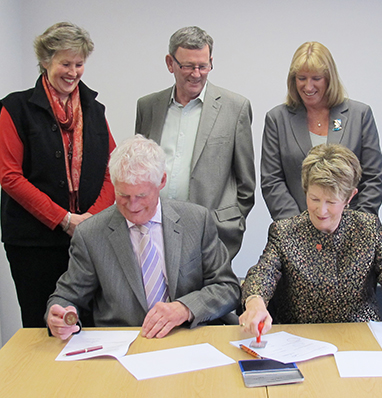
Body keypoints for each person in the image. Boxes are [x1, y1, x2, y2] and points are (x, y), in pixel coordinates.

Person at [240, 144, 382, 349]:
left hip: (359, 336)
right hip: (301, 339)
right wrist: (255, 301)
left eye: (331, 201)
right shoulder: (285, 231)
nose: (321, 210)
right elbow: (263, 272)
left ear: (349, 197)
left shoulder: (366, 227)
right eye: (314, 198)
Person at [46, 135, 240, 340]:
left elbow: (227, 288)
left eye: (141, 195)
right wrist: (60, 315)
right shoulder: (90, 234)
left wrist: (184, 308)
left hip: (187, 338)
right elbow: (66, 297)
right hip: (123, 344)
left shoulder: (196, 221)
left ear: (162, 181)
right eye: (123, 195)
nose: (133, 206)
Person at [0, 22, 116, 327]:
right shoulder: (15, 108)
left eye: (79, 64)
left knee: (89, 325)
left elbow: (112, 170)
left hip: (89, 237)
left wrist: (90, 218)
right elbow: (9, 176)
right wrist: (64, 219)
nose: (73, 71)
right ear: (45, 61)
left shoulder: (94, 109)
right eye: (65, 63)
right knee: (43, 327)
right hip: (33, 244)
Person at [135, 26, 255, 260]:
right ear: (170, 63)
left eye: (204, 65)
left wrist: (233, 223)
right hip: (154, 231)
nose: (197, 73)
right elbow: (140, 170)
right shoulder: (148, 107)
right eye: (188, 66)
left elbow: (246, 184)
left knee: (205, 296)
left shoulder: (235, 108)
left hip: (213, 235)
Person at [261, 41, 382, 221]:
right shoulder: (277, 119)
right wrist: (297, 227)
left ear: (329, 78)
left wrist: (354, 227)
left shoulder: (360, 115)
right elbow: (272, 181)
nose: (308, 87)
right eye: (301, 78)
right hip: (296, 232)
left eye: (316, 79)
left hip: (350, 233)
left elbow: (373, 178)